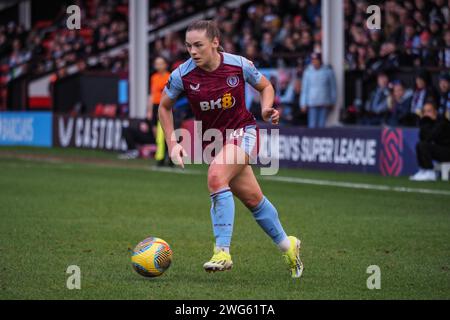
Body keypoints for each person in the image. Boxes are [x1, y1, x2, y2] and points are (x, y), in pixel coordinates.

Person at [158, 20, 303, 278]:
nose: (193, 51)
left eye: (198, 45)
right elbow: (164, 107)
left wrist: (267, 108)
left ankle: (222, 252)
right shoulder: (182, 74)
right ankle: (287, 245)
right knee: (253, 200)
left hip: (244, 133)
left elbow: (265, 86)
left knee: (216, 176)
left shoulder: (238, 64)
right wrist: (172, 144)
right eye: (189, 46)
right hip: (213, 142)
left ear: (215, 42)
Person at [410, 100, 450, 181]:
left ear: (435, 111)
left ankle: (430, 172)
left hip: (447, 150)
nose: (426, 113)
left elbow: (431, 136)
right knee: (419, 145)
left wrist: (429, 121)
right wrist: (425, 121)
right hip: (439, 150)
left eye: (429, 111)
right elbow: (422, 137)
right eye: (424, 111)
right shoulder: (428, 122)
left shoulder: (443, 121)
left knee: (423, 145)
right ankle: (424, 170)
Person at [300, 52, 336, 128]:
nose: (314, 62)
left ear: (320, 60)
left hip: (324, 101)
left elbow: (333, 87)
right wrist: (303, 103)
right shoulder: (308, 72)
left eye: (316, 60)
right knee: (312, 125)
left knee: (322, 125)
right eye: (313, 60)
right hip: (312, 102)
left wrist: (333, 101)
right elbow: (305, 89)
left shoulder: (328, 71)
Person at [148, 56, 172, 166]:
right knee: (158, 134)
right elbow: (152, 95)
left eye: (161, 63)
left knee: (168, 133)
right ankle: (161, 158)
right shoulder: (154, 77)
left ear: (165, 65)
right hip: (155, 107)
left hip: (166, 106)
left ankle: (171, 158)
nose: (158, 66)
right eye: (157, 63)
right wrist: (149, 110)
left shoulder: (170, 76)